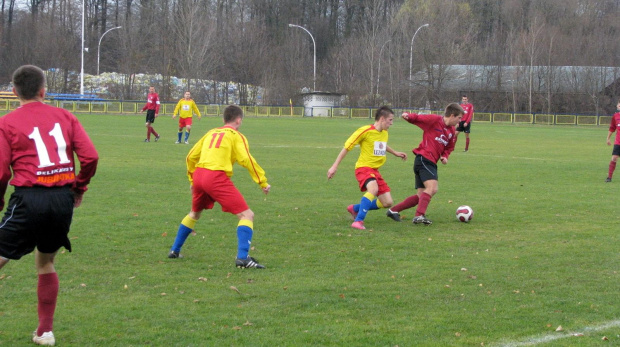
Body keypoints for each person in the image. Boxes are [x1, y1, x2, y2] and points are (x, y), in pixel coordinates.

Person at [0, 65, 99, 346]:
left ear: (14, 92)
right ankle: (45, 332)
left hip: (29, 198)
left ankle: (44, 332)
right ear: (44, 91)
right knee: (45, 262)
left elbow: (1, 172)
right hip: (61, 200)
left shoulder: (7, 122)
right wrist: (78, 188)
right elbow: (90, 157)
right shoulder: (65, 116)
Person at [168, 105, 271, 269]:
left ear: (224, 120)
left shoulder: (211, 132)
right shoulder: (237, 136)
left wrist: (192, 180)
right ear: (239, 120)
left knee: (194, 213)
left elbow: (190, 157)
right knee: (247, 215)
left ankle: (174, 250)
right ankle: (243, 258)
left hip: (200, 175)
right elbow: (246, 159)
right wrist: (262, 182)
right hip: (215, 176)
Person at [327, 106, 408, 230]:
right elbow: (346, 148)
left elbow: (382, 145)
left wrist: (395, 152)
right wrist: (334, 166)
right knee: (373, 189)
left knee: (387, 202)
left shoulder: (384, 133)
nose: (391, 123)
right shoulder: (364, 131)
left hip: (375, 170)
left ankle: (354, 209)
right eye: (390, 120)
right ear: (382, 119)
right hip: (363, 168)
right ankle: (358, 221)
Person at [385, 103, 463, 225]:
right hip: (424, 159)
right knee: (432, 188)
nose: (460, 120)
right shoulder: (435, 120)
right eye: (459, 118)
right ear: (452, 115)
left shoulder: (452, 131)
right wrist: (408, 116)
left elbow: (449, 147)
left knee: (421, 195)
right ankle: (419, 216)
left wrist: (445, 156)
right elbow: (419, 119)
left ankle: (393, 210)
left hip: (429, 162)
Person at [605, 100, 620, 182]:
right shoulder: (615, 116)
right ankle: (609, 177)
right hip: (618, 142)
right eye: (619, 106)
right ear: (617, 106)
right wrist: (608, 138)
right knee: (614, 158)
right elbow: (612, 128)